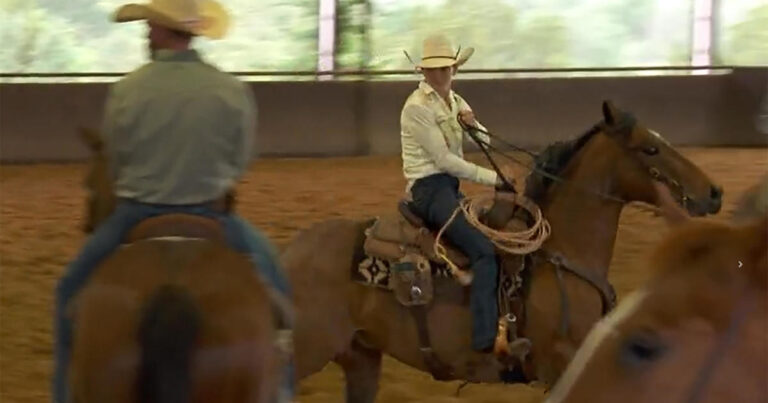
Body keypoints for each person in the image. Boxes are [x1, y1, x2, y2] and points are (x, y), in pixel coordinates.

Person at [52, 1, 294, 401]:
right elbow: (238, 161)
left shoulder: (127, 90)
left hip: (135, 214)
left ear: (162, 31)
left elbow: (116, 159)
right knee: (280, 299)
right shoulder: (231, 91)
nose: (147, 33)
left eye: (150, 25)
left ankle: (64, 394)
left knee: (68, 293)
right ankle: (282, 391)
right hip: (213, 215)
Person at [400, 33, 516, 354]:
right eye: (433, 70)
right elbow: (444, 160)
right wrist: (495, 178)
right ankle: (483, 340)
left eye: (445, 68)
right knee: (484, 251)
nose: (439, 75)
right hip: (429, 190)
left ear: (454, 69)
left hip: (448, 188)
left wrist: (474, 125)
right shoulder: (417, 108)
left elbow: (486, 142)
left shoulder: (456, 102)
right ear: (423, 72)